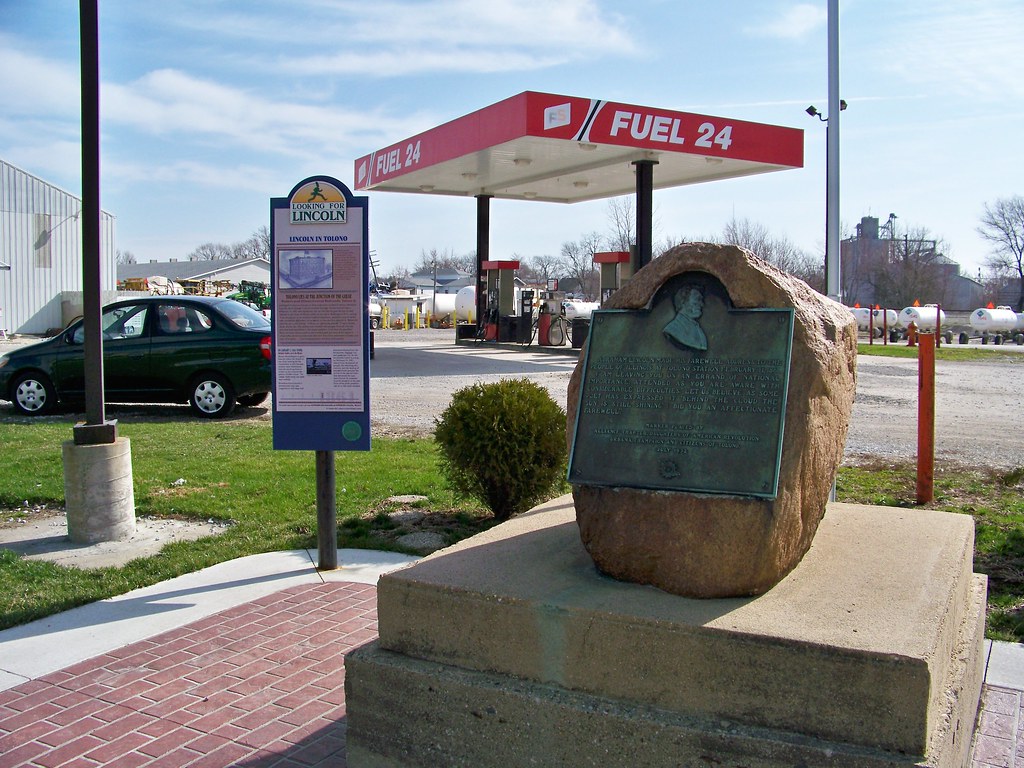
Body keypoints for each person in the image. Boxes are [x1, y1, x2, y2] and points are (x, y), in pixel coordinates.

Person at [663, 284, 708, 351]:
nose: (702, 304)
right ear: (683, 301)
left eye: (701, 300)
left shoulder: (698, 329)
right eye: (697, 299)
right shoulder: (672, 329)